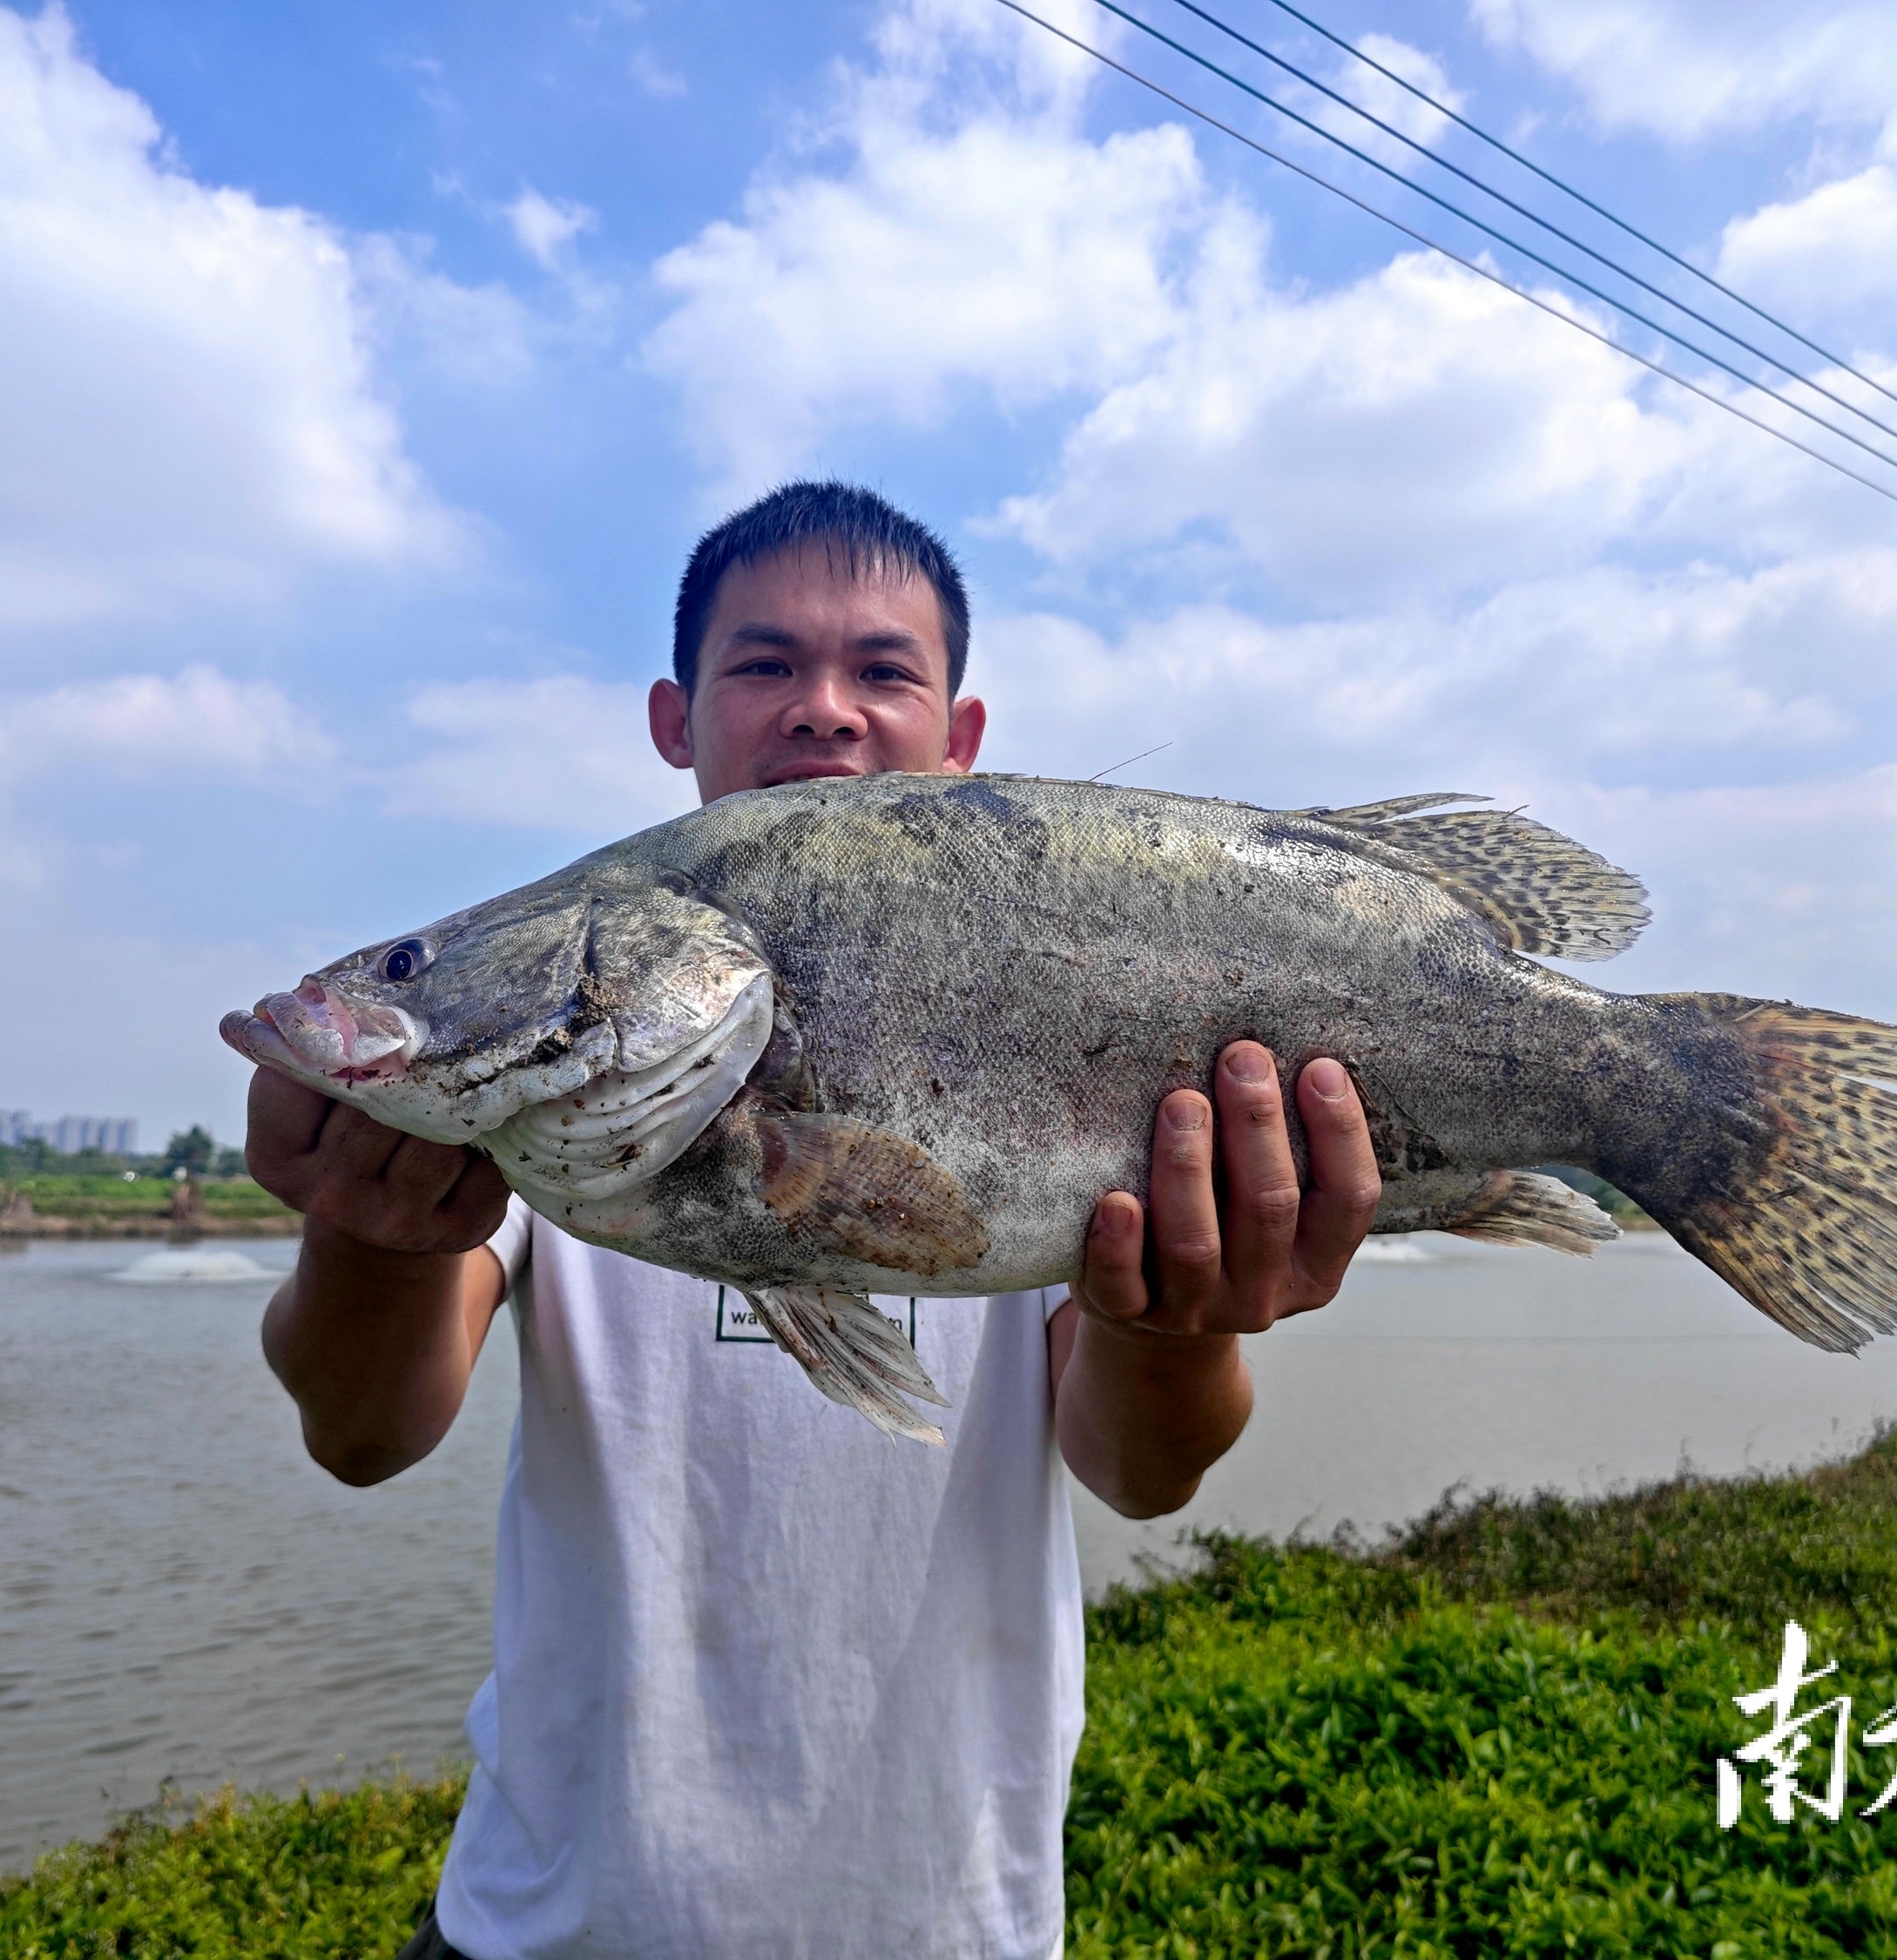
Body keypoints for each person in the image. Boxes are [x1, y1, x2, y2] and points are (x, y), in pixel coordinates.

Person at [246, 483, 1383, 1960]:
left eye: (886, 670)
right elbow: (363, 1430)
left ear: (964, 738)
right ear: (678, 718)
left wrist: (1182, 1314)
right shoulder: (549, 1123)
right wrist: (368, 1233)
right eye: (766, 665)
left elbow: (1138, 1469)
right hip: (557, 1926)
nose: (825, 712)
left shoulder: (1057, 983)